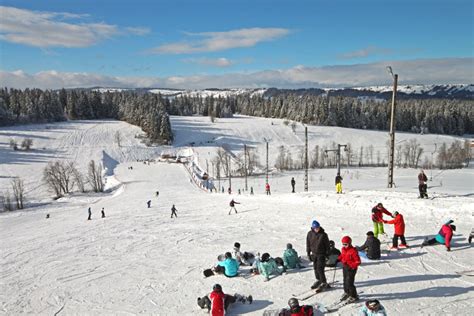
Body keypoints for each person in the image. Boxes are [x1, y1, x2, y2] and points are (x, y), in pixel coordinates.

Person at [306, 220, 330, 291]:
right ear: (313, 228)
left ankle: (324, 282)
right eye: (315, 228)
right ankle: (318, 279)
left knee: (320, 269)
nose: (317, 229)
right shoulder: (310, 234)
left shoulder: (323, 235)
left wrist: (327, 254)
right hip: (314, 254)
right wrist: (308, 253)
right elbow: (308, 243)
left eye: (318, 227)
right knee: (315, 268)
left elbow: (327, 245)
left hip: (321, 254)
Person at [338, 236, 361, 303]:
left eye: (346, 244)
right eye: (343, 244)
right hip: (345, 266)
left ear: (350, 243)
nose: (344, 245)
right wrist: (338, 259)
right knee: (345, 280)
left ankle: (354, 296)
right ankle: (347, 292)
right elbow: (342, 255)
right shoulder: (343, 249)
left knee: (350, 282)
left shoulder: (353, 251)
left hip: (352, 268)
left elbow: (358, 262)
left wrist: (352, 266)